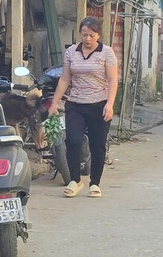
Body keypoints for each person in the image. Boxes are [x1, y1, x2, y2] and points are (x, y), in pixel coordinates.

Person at [45, 16, 120, 198]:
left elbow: (112, 79)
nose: (87, 39)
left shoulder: (107, 52)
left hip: (99, 104)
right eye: (84, 35)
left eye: (91, 35)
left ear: (98, 36)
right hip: (76, 103)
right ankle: (75, 180)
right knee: (73, 141)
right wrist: (55, 102)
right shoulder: (72, 51)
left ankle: (95, 183)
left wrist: (110, 104)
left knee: (97, 145)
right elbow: (65, 78)